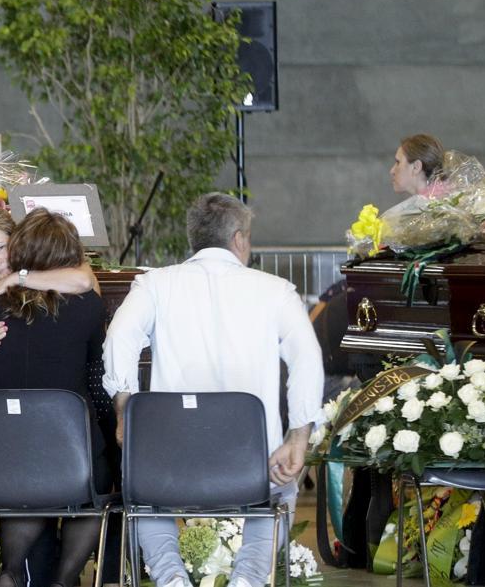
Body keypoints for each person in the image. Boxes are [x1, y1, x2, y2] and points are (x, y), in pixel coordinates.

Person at [103, 192, 323, 587]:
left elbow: (118, 337)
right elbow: (307, 358)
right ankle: (249, 578)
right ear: (239, 239)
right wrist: (298, 438)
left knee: (146, 494)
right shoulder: (276, 291)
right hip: (253, 465)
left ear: (195, 239)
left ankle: (170, 577)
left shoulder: (155, 284)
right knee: (283, 488)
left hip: (171, 464)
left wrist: (125, 409)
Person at [0, 209, 109, 587]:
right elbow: (97, 368)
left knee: (26, 476)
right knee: (98, 488)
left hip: (2, 459)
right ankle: (63, 580)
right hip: (70, 455)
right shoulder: (89, 308)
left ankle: (11, 570)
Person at [0, 204, 97, 383]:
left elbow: (85, 281)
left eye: (0, 247)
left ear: (16, 240)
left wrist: (15, 278)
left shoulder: (46, 263)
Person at [390, 133, 446, 197]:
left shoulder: (436, 204)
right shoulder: (443, 200)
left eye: (398, 162)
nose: (392, 171)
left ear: (416, 167)